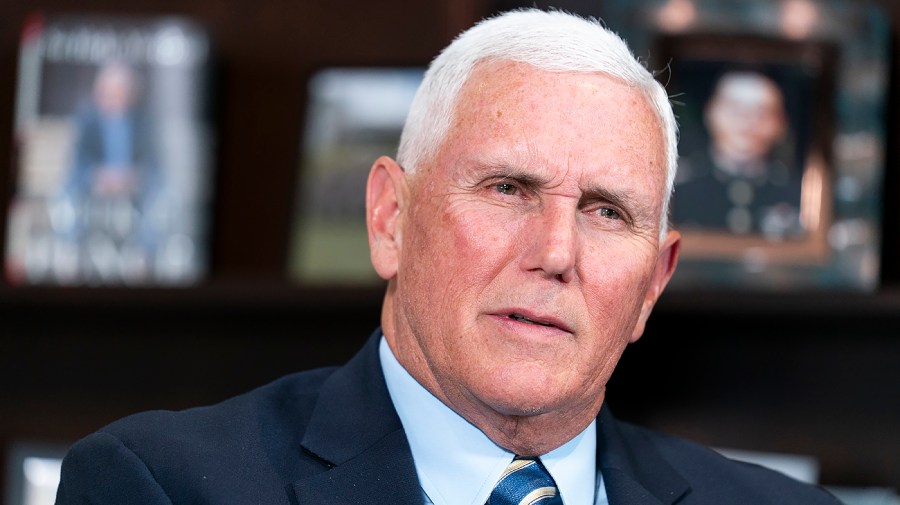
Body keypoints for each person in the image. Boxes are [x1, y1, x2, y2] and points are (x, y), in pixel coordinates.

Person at [54, 8, 841, 505]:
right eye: (508, 188)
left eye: (607, 211)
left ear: (652, 286)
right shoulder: (156, 484)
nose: (555, 252)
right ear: (390, 217)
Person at [670, 69, 806, 238]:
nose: (746, 121)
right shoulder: (680, 187)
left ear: (781, 124)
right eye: (734, 109)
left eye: (761, 113)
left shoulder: (801, 193)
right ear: (710, 112)